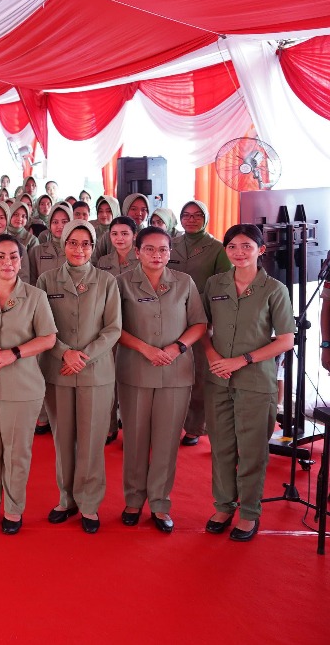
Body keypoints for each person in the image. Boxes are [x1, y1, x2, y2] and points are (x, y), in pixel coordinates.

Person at [200, 224, 296, 542]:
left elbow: (285, 340)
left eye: (246, 246)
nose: (239, 253)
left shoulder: (274, 290)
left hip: (255, 381)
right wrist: (212, 356)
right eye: (232, 247)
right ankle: (223, 506)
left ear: (260, 250)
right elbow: (202, 327)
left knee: (252, 451)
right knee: (222, 448)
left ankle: (249, 513)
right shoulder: (215, 284)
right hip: (218, 379)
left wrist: (242, 360)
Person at [115, 225, 208, 533]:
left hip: (175, 371)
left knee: (167, 441)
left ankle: (159, 503)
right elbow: (113, 326)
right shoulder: (121, 283)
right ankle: (133, 500)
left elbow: (199, 323)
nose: (157, 255)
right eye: (150, 249)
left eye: (163, 250)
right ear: (137, 252)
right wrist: (145, 349)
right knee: (135, 439)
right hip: (135, 370)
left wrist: (176, 347)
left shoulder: (184, 282)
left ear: (170, 253)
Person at [0, 234, 58, 534]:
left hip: (22, 384)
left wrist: (15, 353)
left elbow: (48, 338)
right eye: (1, 257)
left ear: (21, 262)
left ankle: (14, 508)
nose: (8, 262)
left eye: (14, 257)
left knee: (17, 450)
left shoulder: (35, 296)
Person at [36, 220, 121, 533]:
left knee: (91, 440)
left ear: (94, 246)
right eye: (73, 242)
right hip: (58, 370)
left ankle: (89, 504)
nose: (79, 249)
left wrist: (82, 356)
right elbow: (40, 325)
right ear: (64, 244)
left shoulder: (107, 281)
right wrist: (64, 353)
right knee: (63, 438)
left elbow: (113, 328)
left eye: (86, 243)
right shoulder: (46, 280)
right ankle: (66, 499)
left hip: (95, 371)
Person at [171, 200, 232, 446]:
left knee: (198, 373)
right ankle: (170, 423)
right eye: (186, 215)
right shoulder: (171, 244)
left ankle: (195, 426)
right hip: (171, 315)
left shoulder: (217, 248)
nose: (191, 219)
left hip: (202, 317)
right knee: (171, 371)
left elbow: (224, 285)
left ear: (205, 218)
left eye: (197, 215)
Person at [30, 203, 72, 282]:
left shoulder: (78, 251)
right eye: (55, 222)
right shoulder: (37, 251)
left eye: (64, 222)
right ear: (49, 224)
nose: (60, 226)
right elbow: (31, 282)